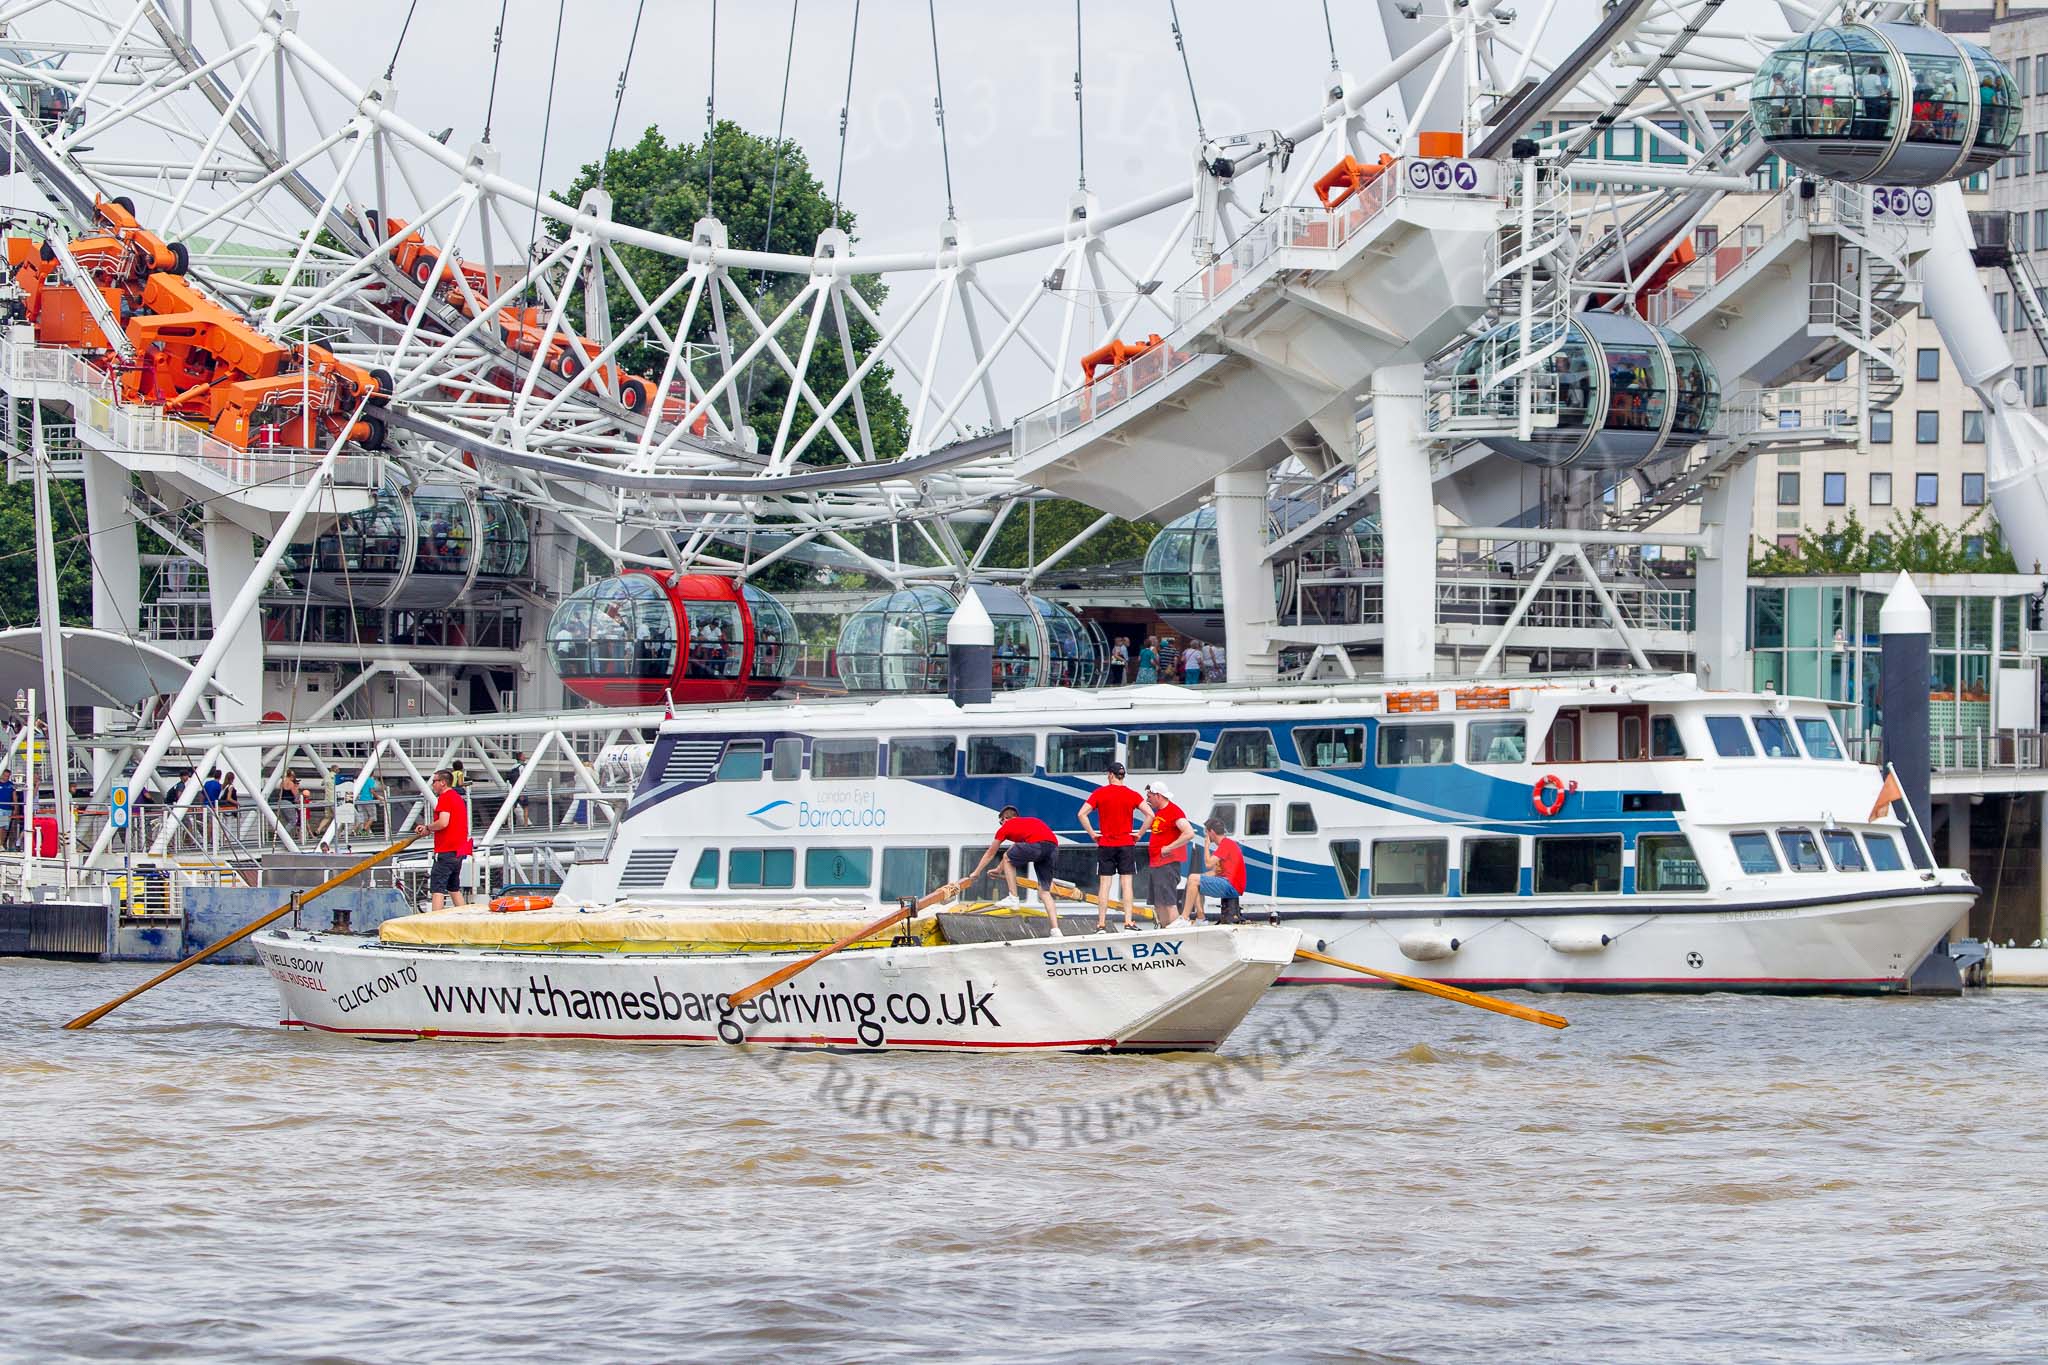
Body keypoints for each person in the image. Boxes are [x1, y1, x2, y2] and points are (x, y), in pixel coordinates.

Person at [965, 805, 1063, 938]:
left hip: (1037, 846)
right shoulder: (1029, 823)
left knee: (1008, 858)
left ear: (1005, 819)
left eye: (1000, 822)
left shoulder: (1006, 827)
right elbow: (1013, 850)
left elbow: (990, 852)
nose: (1001, 825)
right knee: (1044, 892)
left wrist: (976, 872)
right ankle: (1056, 930)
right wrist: (999, 869)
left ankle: (1013, 898)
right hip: (1053, 849)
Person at [1078, 761, 1144, 931]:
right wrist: (1139, 834)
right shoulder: (1132, 794)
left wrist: (1093, 834)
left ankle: (1101, 924)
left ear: (1111, 775)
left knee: (1105, 884)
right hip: (1126, 844)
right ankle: (1128, 922)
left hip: (1106, 844)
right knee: (1126, 883)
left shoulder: (1100, 793)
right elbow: (1150, 814)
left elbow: (1082, 814)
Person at [1139, 783, 1195, 926]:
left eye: (1150, 796)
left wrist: (1169, 847)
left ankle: (1176, 931)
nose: (1148, 799)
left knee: (1169, 901)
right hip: (1156, 863)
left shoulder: (1174, 811)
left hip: (1167, 864)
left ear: (1158, 795)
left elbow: (1189, 833)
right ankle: (1165, 930)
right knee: (1159, 902)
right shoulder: (1159, 813)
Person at [415, 767, 470, 912]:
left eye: (434, 781)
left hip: (446, 850)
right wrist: (429, 829)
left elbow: (443, 822)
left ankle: (436, 922)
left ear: (443, 782)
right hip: (458, 850)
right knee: (453, 887)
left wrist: (428, 827)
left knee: (437, 888)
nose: (433, 784)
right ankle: (467, 918)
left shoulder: (445, 798)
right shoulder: (458, 798)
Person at [1183, 815, 1248, 924]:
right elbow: (1214, 871)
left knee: (1194, 879)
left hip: (1231, 885)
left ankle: (1184, 918)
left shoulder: (1226, 844)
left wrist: (1207, 846)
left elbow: (1208, 864)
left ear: (1211, 832)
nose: (1205, 835)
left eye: (1206, 832)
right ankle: (1200, 918)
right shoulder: (1227, 845)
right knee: (1193, 881)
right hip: (1231, 884)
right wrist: (1196, 879)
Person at [0, 767, 14, 852]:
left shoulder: (10, 784)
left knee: (5, 828)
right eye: (5, 776)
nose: (6, 778)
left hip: (8, 808)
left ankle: (2, 843)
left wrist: (15, 807)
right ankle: (0, 844)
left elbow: (14, 795)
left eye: (8, 776)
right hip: (1, 808)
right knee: (1, 827)